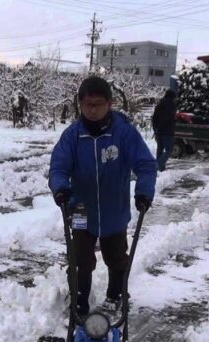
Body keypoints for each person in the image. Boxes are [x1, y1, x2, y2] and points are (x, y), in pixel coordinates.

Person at [48, 76, 157, 317]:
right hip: (81, 208)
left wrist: (144, 192)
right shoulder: (73, 136)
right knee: (79, 259)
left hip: (114, 208)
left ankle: (116, 295)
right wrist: (60, 188)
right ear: (80, 105)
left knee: (116, 257)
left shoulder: (124, 133)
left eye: (98, 104)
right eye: (88, 105)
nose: (93, 110)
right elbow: (58, 166)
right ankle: (79, 299)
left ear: (109, 103)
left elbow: (146, 165)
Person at [152, 89, 177, 171]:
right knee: (169, 150)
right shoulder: (172, 105)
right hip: (168, 132)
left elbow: (154, 118)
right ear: (172, 97)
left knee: (160, 149)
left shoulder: (159, 105)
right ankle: (159, 164)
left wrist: (155, 129)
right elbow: (171, 119)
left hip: (159, 131)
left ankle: (160, 169)